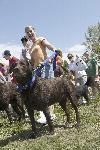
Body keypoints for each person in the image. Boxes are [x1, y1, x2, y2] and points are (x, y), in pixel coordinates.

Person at [25, 25, 56, 123]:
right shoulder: (30, 47)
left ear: (34, 30)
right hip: (37, 70)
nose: (29, 33)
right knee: (41, 92)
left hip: (46, 66)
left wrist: (54, 50)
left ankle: (51, 115)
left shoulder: (40, 39)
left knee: (48, 90)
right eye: (27, 32)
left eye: (30, 31)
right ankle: (45, 115)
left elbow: (48, 45)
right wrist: (25, 57)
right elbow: (32, 61)